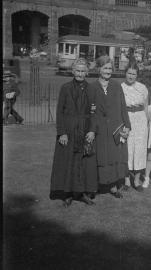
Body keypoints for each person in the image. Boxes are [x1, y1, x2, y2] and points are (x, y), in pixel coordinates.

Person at [50, 58, 98, 207]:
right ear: (73, 71)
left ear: (87, 72)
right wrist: (62, 132)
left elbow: (94, 113)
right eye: (77, 70)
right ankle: (68, 194)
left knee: (83, 163)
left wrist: (92, 130)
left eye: (83, 71)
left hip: (85, 129)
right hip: (69, 131)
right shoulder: (65, 88)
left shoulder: (91, 89)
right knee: (68, 162)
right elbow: (59, 112)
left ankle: (82, 193)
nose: (80, 73)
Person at [89, 55, 131, 198]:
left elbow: (123, 107)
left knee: (114, 157)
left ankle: (113, 187)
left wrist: (127, 126)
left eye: (109, 68)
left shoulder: (116, 85)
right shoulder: (92, 87)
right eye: (105, 68)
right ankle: (95, 186)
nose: (108, 71)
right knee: (100, 157)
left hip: (115, 127)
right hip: (99, 129)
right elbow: (90, 110)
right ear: (99, 69)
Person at [121, 62, 148, 192]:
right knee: (127, 149)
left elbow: (146, 106)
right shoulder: (120, 87)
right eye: (129, 73)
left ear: (137, 75)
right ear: (125, 73)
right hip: (126, 120)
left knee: (139, 150)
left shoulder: (142, 88)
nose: (131, 76)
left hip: (140, 120)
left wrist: (147, 122)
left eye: (134, 74)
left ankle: (136, 181)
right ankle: (126, 180)